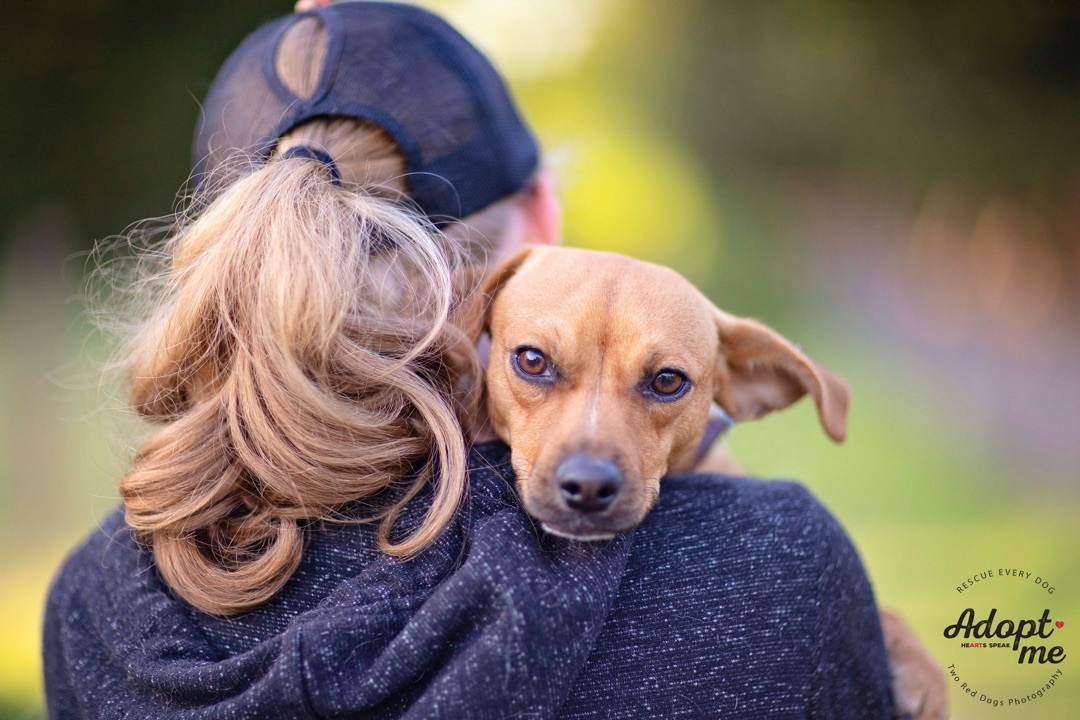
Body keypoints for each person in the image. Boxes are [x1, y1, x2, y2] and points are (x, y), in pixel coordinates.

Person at [42, 2, 895, 717]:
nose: (589, 455)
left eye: (663, 383)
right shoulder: (774, 567)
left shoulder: (92, 603)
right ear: (541, 216)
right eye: (536, 365)